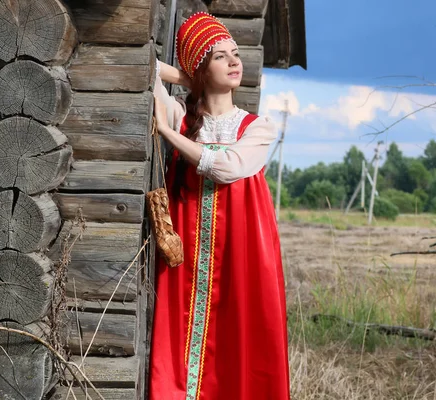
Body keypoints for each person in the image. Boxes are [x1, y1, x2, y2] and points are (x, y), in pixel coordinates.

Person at [149, 12, 291, 400]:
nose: (234, 61)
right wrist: (186, 78)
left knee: (238, 348)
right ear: (200, 67)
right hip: (188, 264)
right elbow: (145, 65)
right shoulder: (184, 117)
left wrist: (166, 134)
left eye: (236, 53)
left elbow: (226, 168)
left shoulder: (256, 128)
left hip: (240, 261)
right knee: (181, 357)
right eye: (219, 56)